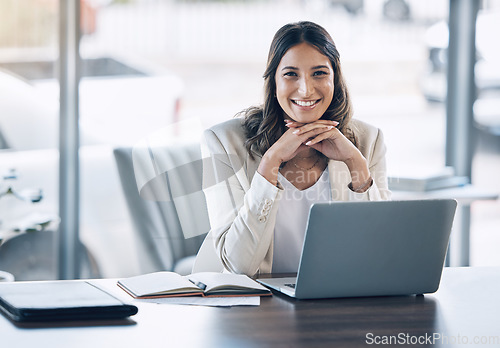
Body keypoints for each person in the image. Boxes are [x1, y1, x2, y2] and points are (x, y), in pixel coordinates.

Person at [194, 21, 391, 277]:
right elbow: (237, 267)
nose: (306, 89)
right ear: (274, 81)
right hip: (257, 308)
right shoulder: (222, 142)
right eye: (291, 74)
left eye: (319, 73)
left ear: (336, 79)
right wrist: (269, 165)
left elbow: (380, 254)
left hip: (338, 301)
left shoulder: (369, 140)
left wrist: (356, 164)